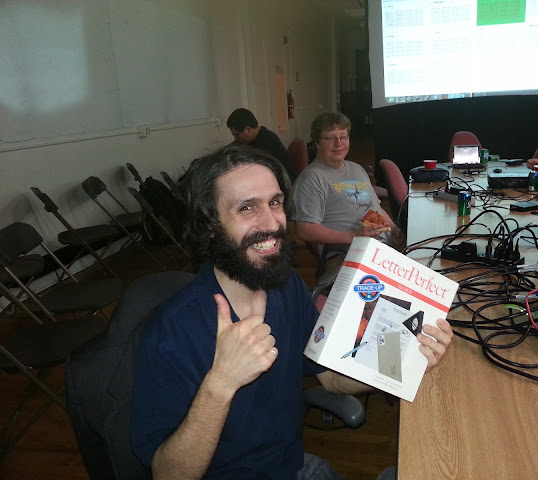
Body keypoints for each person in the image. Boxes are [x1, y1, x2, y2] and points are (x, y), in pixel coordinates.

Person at [130, 144, 453, 479]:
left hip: (294, 467)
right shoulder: (171, 331)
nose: (272, 222)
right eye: (246, 208)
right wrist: (221, 383)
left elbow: (331, 379)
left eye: (275, 202)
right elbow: (168, 473)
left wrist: (406, 358)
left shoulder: (284, 287)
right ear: (210, 226)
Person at [291, 112, 405, 260]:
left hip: (383, 247)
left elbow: (375, 207)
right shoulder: (312, 178)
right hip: (348, 252)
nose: (338, 143)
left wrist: (394, 230)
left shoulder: (356, 169)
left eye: (343, 137)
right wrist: (353, 236)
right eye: (331, 138)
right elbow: (305, 230)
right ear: (317, 143)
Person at [226, 107, 292, 179]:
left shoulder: (267, 141)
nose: (236, 138)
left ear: (248, 129)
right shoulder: (255, 138)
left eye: (237, 135)